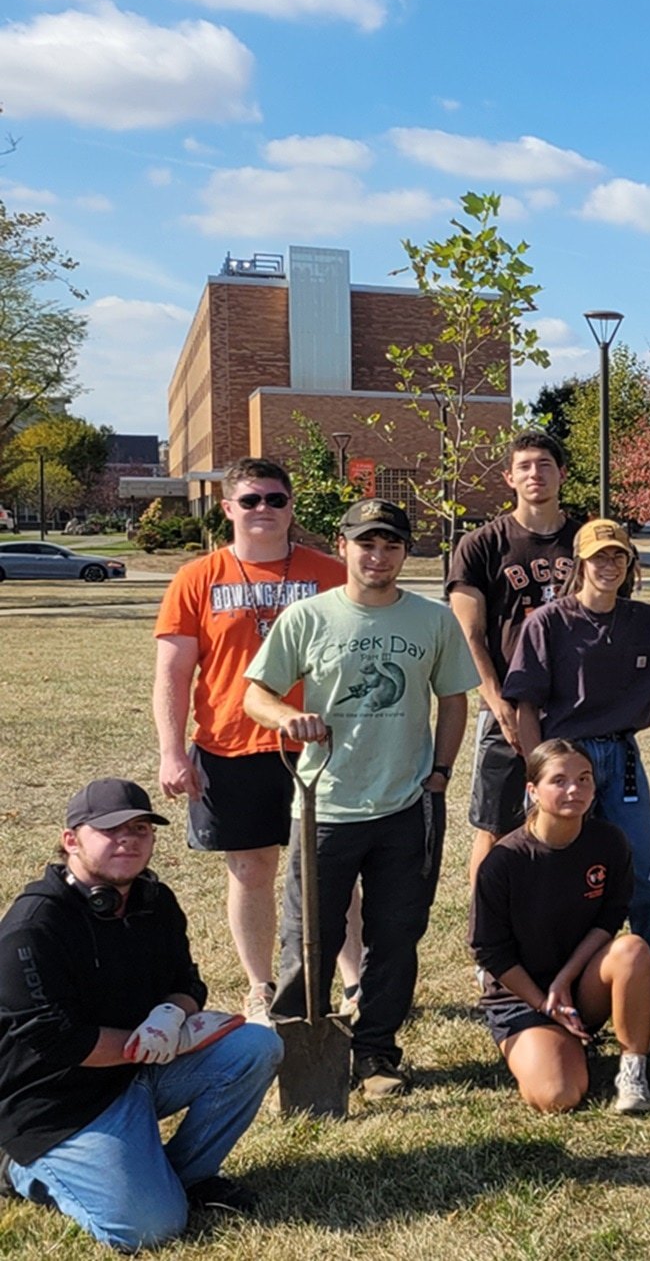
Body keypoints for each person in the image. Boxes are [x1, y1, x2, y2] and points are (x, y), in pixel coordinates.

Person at [243, 498, 478, 1100]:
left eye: (391, 545)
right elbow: (256, 694)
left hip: (408, 805)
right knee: (308, 938)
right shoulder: (307, 618)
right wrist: (287, 717)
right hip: (325, 806)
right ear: (342, 546)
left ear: (405, 552)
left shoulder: (432, 620)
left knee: (395, 937)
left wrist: (440, 774)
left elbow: (454, 699)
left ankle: (375, 1051)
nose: (379, 556)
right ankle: (298, 1053)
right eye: (367, 544)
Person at [0, 780, 282, 1251]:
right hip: (57, 1107)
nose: (128, 840)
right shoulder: (32, 929)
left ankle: (187, 1176)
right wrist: (150, 1045)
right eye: (110, 830)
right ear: (71, 840)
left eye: (140, 829)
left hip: (136, 1072)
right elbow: (58, 1041)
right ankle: (20, 1169)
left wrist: (172, 1015)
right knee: (149, 1229)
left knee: (256, 1046)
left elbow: (188, 982)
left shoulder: (155, 900)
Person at [151, 457, 362, 1023]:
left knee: (331, 870)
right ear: (227, 509)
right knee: (250, 871)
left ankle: (354, 981)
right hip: (230, 747)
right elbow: (173, 674)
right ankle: (260, 986)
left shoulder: (331, 574)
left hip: (319, 746)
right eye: (250, 500)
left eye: (275, 499)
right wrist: (172, 752)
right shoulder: (198, 578)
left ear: (291, 507)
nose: (263, 509)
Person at [502, 519, 650, 1018]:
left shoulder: (646, 622)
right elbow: (526, 707)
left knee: (647, 877)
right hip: (566, 759)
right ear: (579, 564)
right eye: (599, 556)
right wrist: (540, 774)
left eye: (619, 556)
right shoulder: (548, 624)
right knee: (561, 877)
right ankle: (553, 997)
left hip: (622, 760)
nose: (609, 565)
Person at [470, 740, 650, 1115]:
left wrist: (564, 980)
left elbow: (609, 918)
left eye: (584, 779)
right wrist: (544, 1002)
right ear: (532, 790)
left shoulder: (609, 841)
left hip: (580, 985)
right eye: (559, 780)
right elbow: (489, 950)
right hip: (521, 998)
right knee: (557, 1096)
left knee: (632, 949)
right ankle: (552, 1042)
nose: (575, 789)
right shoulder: (504, 860)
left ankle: (633, 1072)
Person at [447, 429, 582, 890]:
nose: (534, 474)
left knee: (569, 818)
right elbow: (469, 634)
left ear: (562, 473)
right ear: (508, 477)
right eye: (523, 466)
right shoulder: (481, 544)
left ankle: (557, 919)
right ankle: (486, 923)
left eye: (544, 464)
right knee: (496, 824)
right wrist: (496, 701)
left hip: (572, 706)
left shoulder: (585, 542)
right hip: (506, 704)